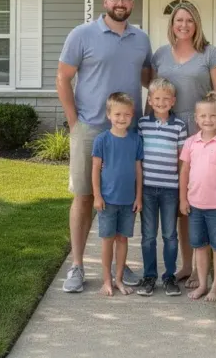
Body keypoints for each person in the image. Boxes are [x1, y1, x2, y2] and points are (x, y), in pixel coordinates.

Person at [57, 0, 152, 293]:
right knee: (85, 197)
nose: (120, 2)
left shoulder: (141, 39)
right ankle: (78, 266)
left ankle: (120, 266)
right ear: (105, 1)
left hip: (128, 133)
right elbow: (63, 78)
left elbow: (150, 78)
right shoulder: (82, 35)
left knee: (124, 199)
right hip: (91, 130)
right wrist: (75, 124)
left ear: (132, 3)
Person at [147, 1, 216, 287]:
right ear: (172, 24)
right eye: (178, 20)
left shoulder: (210, 53)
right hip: (167, 134)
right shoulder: (160, 55)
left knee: (196, 200)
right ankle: (185, 264)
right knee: (176, 197)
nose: (183, 25)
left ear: (197, 23)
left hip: (199, 132)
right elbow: (152, 91)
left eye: (189, 20)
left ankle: (199, 269)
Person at [179, 91, 216, 302]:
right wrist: (183, 200)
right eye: (203, 116)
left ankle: (215, 286)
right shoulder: (190, 143)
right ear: (196, 118)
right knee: (200, 246)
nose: (208, 120)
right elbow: (184, 172)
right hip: (195, 206)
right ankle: (203, 284)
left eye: (213, 116)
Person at [134, 77, 188, 297]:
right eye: (157, 98)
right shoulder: (142, 124)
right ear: (150, 99)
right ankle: (149, 276)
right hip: (147, 189)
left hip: (169, 190)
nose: (161, 102)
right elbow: (138, 158)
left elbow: (181, 161)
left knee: (169, 235)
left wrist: (182, 192)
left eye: (166, 98)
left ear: (173, 101)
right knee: (148, 235)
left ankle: (169, 277)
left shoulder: (179, 126)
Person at [92, 92, 144, 296]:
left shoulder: (135, 140)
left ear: (132, 116)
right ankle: (107, 281)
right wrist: (97, 195)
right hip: (107, 201)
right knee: (107, 239)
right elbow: (95, 169)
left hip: (128, 201)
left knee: (123, 240)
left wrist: (138, 196)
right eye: (118, 114)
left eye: (127, 115)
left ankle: (119, 279)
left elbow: (138, 170)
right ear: (109, 115)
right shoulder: (102, 140)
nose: (122, 118)